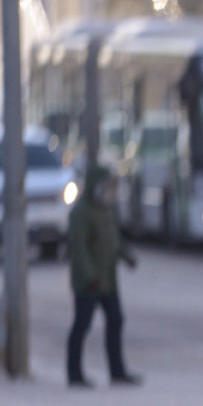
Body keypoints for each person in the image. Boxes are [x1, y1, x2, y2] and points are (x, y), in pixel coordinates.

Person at [66, 166, 141, 388]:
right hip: (89, 283)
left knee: (116, 320)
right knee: (82, 325)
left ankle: (117, 371)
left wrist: (127, 256)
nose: (110, 193)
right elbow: (78, 248)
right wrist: (89, 275)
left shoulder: (105, 210)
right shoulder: (81, 213)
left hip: (107, 280)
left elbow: (112, 241)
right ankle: (74, 373)